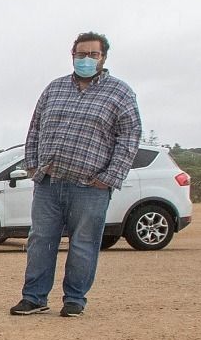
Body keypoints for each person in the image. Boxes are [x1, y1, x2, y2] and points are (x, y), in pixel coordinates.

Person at [9, 32, 142, 318]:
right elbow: (35, 129)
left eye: (92, 55)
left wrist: (108, 177)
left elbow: (129, 138)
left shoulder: (120, 93)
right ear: (72, 55)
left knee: (83, 244)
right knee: (40, 241)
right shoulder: (54, 89)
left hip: (90, 186)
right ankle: (34, 297)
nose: (86, 59)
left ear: (103, 58)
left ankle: (74, 299)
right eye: (81, 54)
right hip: (49, 182)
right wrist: (33, 165)